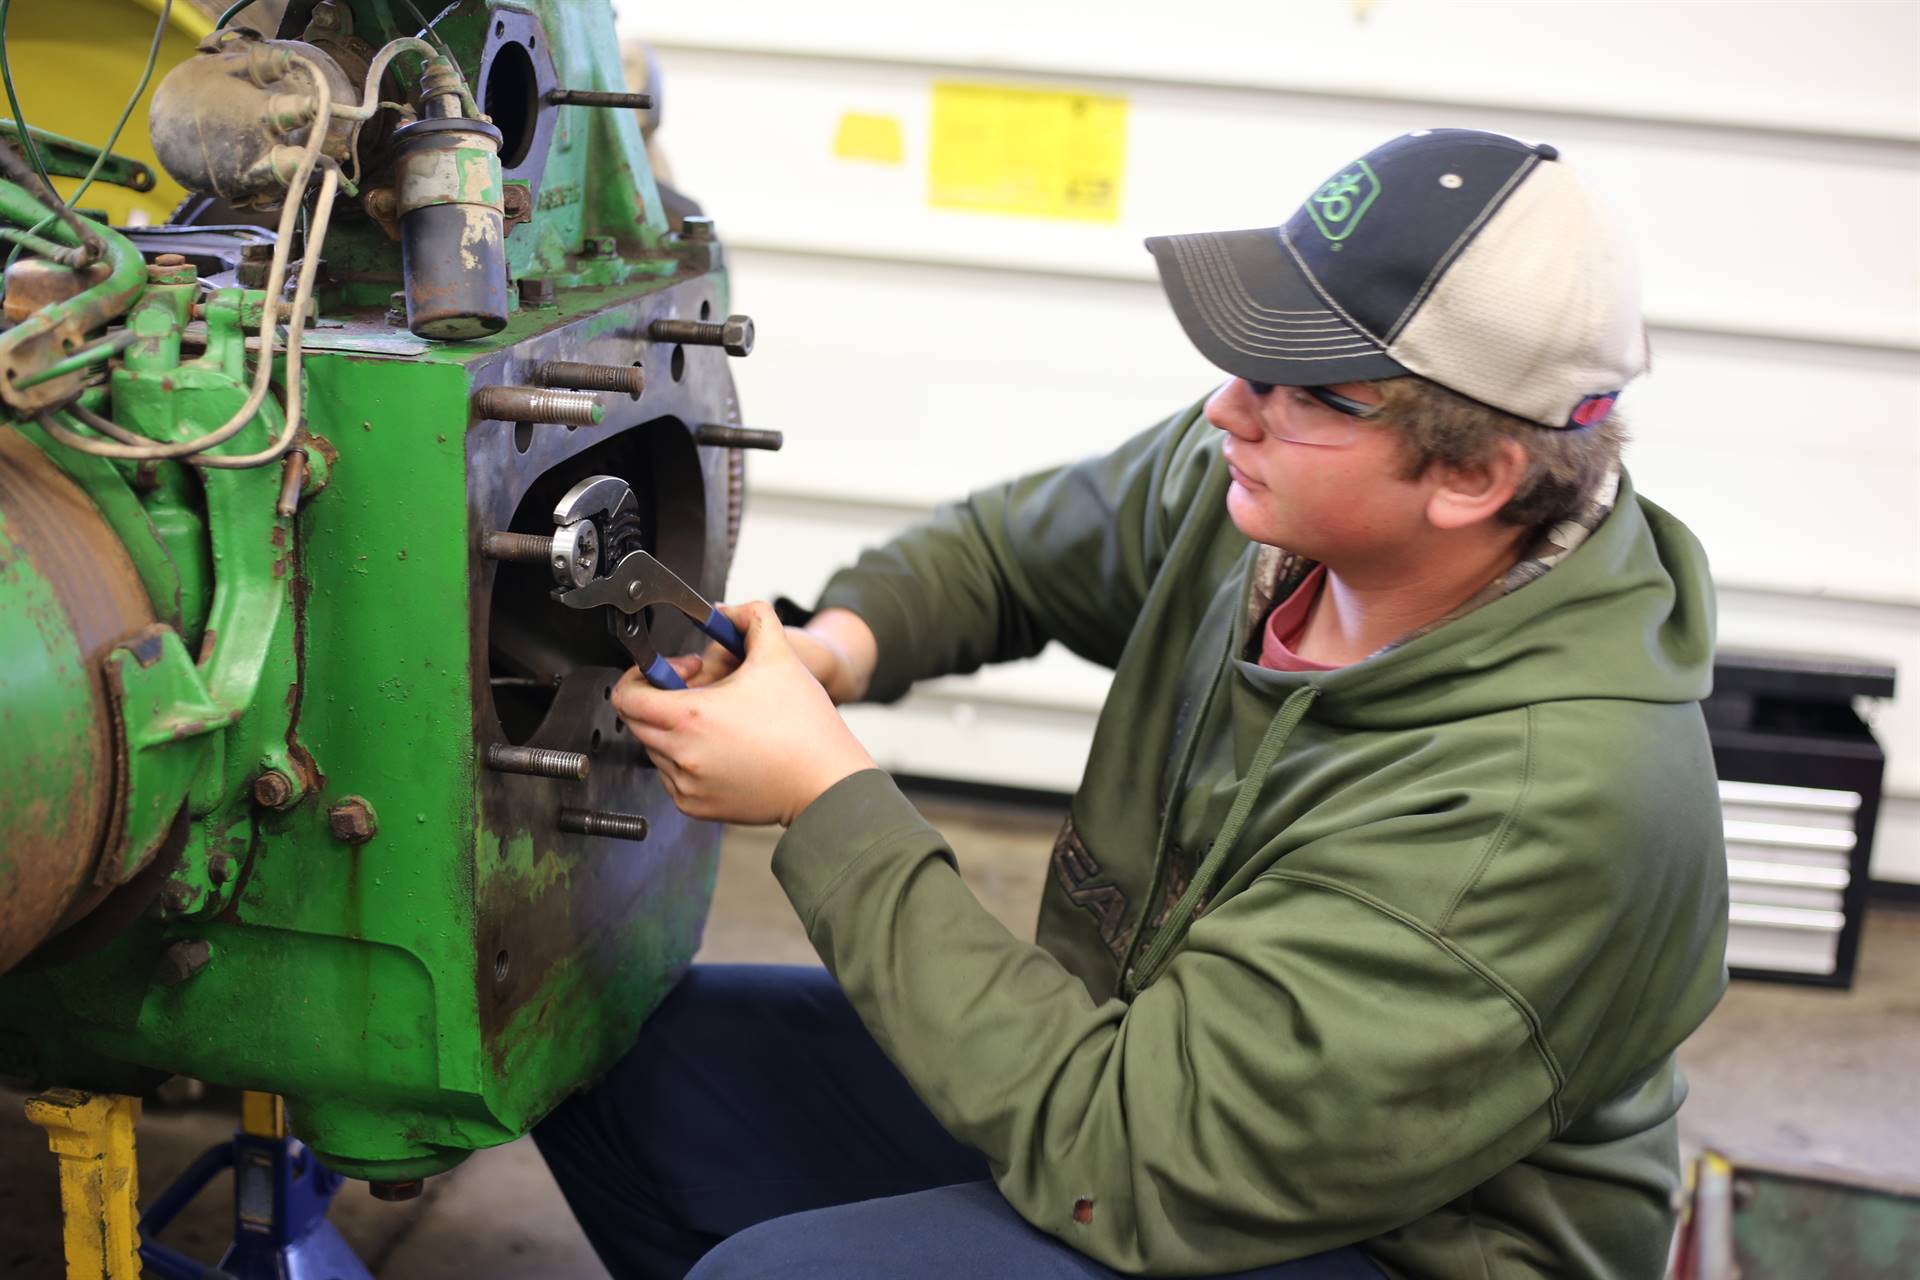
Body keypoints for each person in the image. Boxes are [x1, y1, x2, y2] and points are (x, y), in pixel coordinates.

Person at [534, 127, 1730, 1279]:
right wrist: (833, 649)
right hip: (1140, 1071)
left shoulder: (1545, 806)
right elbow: (1007, 556)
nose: (1227, 408)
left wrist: (827, 795)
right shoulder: (1275, 501)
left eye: (1298, 383)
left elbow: (1127, 1154)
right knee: (611, 1057)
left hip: (1377, 1235)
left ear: (1474, 475)